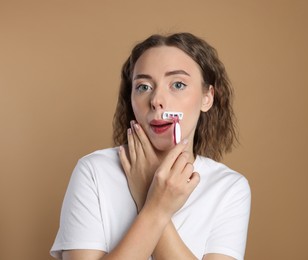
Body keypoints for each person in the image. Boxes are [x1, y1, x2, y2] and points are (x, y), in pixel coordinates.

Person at [50, 32, 251, 260]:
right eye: (143, 87)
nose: (156, 100)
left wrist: (148, 193)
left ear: (207, 97)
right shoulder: (94, 171)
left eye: (177, 84)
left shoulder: (229, 188)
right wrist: (156, 207)